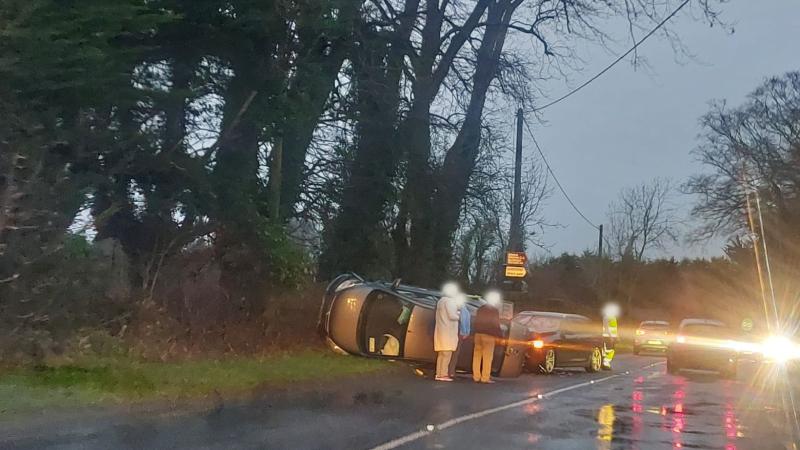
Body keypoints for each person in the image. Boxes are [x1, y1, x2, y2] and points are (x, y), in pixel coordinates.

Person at [472, 291, 502, 384]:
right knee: (487, 357)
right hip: (489, 336)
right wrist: (500, 337)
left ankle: (476, 376)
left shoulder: (480, 309)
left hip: (478, 334)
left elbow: (475, 321)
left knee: (476, 356)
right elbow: (495, 324)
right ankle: (485, 377)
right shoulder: (494, 310)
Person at [434, 282, 461, 382]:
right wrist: (459, 314)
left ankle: (438, 373)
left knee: (441, 354)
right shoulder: (450, 301)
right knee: (447, 354)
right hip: (448, 331)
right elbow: (452, 316)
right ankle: (444, 374)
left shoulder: (440, 301)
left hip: (440, 330)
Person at [448, 294, 471, 378]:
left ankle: (450, 371)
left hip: (458, 334)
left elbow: (467, 323)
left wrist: (466, 332)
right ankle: (449, 371)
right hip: (455, 333)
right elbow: (467, 323)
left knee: (453, 353)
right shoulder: (464, 311)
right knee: (450, 352)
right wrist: (466, 332)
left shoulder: (464, 311)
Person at [602, 302, 620, 370]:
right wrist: (610, 337)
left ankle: (606, 363)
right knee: (608, 350)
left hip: (612, 337)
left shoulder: (613, 318)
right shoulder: (606, 317)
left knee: (611, 350)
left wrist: (617, 336)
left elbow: (615, 328)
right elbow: (606, 327)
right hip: (607, 337)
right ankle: (605, 363)